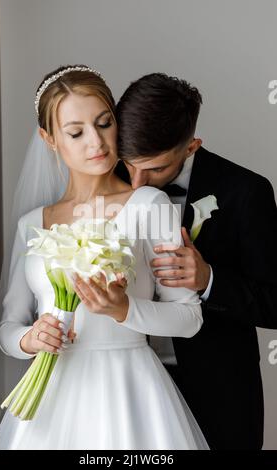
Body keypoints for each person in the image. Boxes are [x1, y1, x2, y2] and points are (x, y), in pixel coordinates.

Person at [0, 65, 209, 450]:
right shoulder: (31, 224)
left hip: (130, 392)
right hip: (50, 405)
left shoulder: (150, 205)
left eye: (105, 123)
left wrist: (125, 309)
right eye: (76, 132)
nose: (98, 142)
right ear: (49, 138)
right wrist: (29, 339)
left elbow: (189, 319)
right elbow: (8, 328)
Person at [115, 72, 277, 450]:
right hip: (125, 386)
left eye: (155, 168)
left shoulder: (246, 191)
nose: (137, 184)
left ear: (191, 147)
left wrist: (209, 280)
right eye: (130, 164)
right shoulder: (104, 180)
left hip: (218, 393)